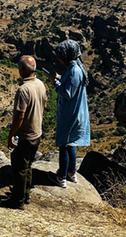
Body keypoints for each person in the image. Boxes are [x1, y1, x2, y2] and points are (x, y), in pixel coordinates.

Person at [1, 55, 47, 210]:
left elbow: (20, 115)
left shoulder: (23, 89)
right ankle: (25, 195)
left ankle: (17, 200)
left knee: (19, 168)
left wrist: (11, 135)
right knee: (28, 166)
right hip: (37, 133)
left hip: (25, 135)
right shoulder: (40, 84)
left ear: (22, 69)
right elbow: (45, 105)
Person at [47, 39, 91, 188]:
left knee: (64, 146)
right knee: (71, 144)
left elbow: (67, 93)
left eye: (60, 56)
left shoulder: (74, 71)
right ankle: (72, 173)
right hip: (76, 113)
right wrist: (61, 78)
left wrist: (55, 82)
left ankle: (62, 177)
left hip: (70, 114)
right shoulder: (77, 68)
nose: (59, 59)